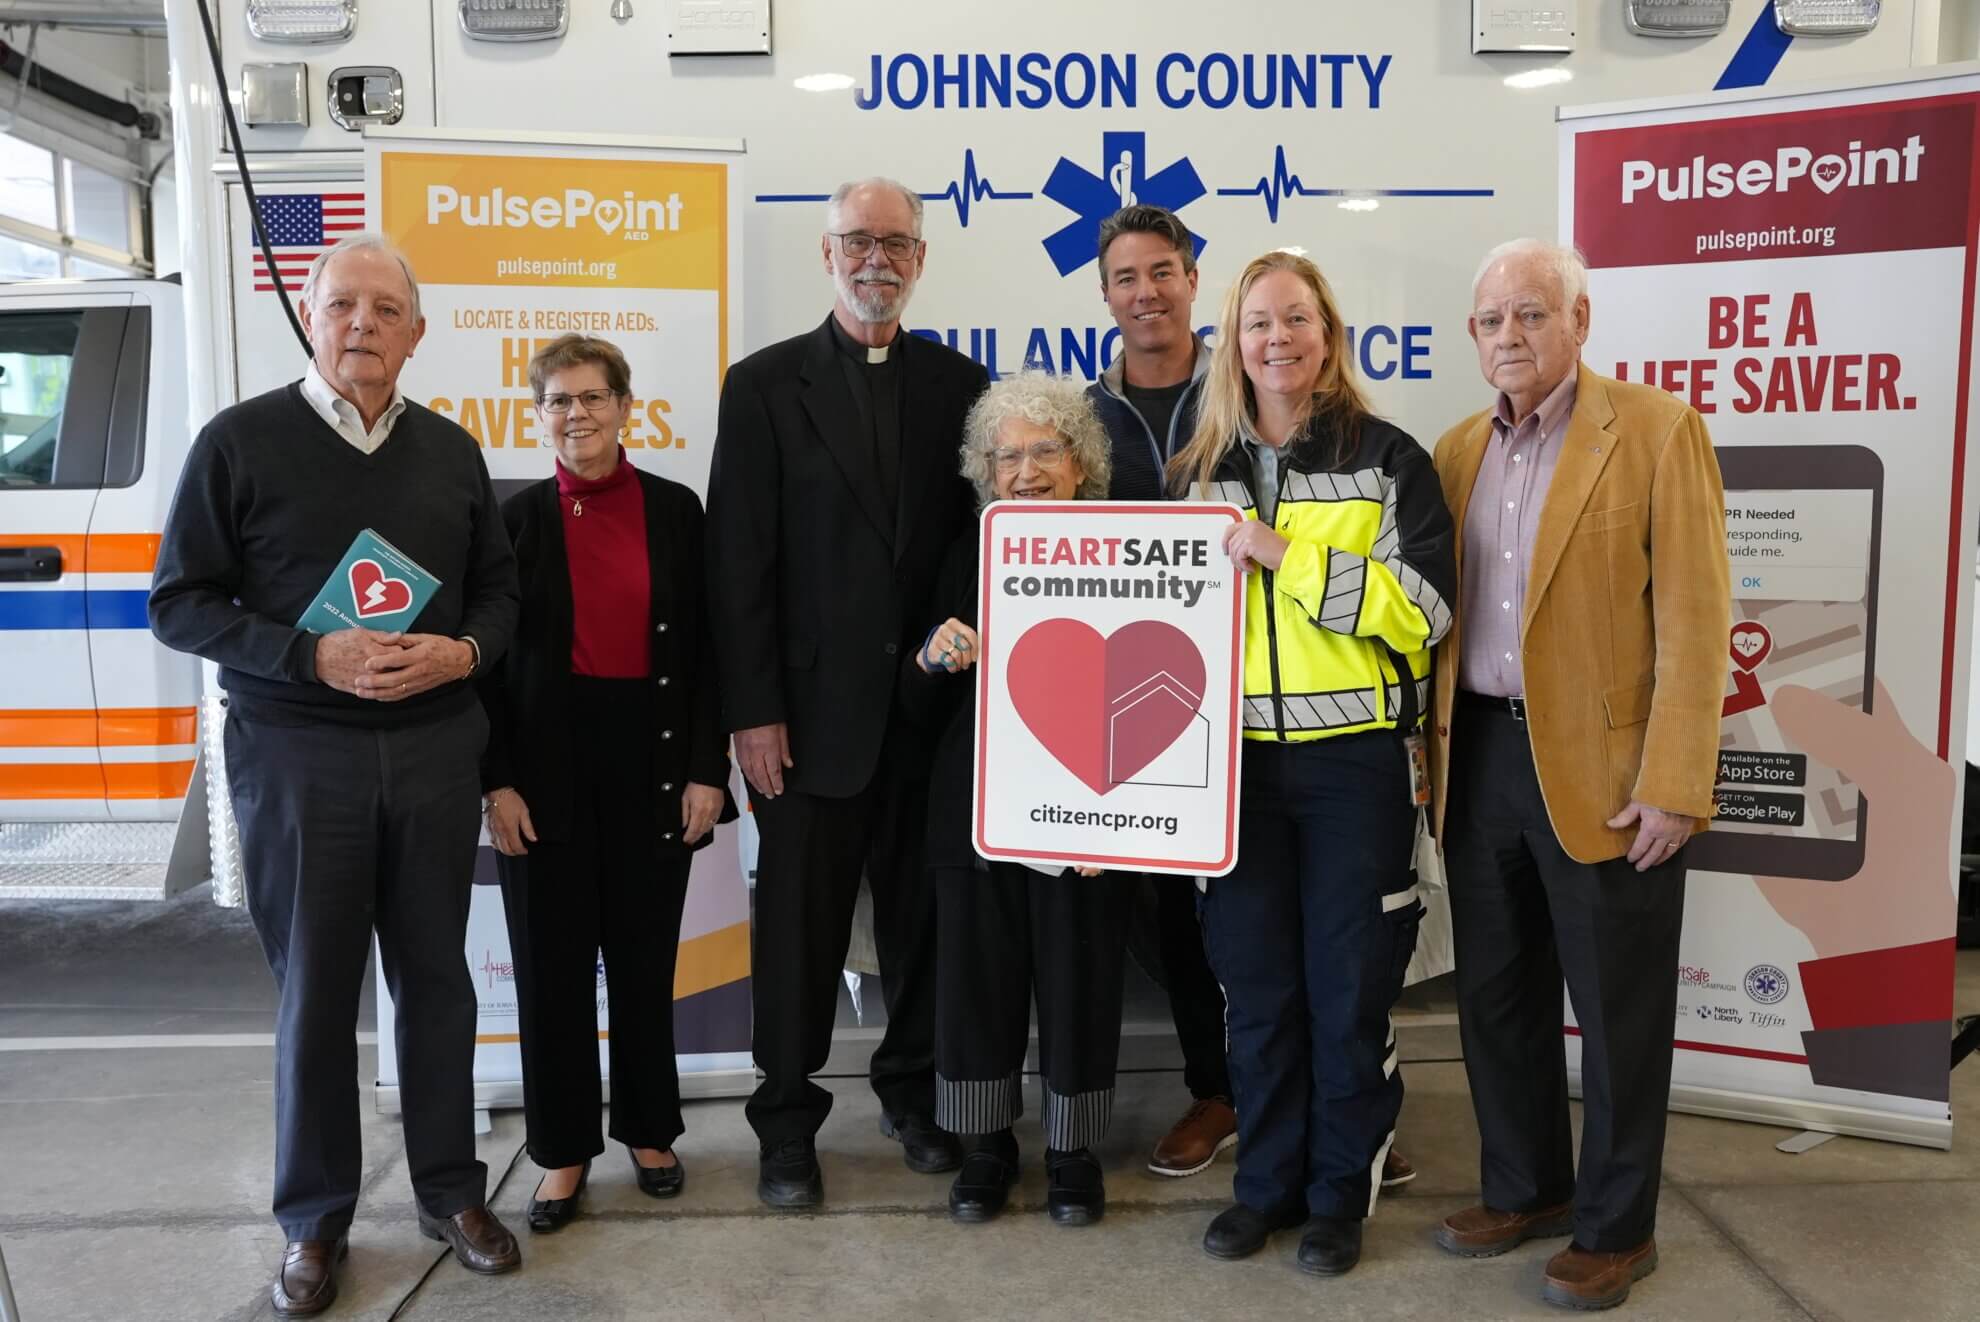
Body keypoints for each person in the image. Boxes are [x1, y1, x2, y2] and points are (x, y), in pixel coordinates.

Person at [148, 234, 522, 1316]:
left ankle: (452, 1191)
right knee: (316, 992)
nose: (361, 322)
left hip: (433, 749)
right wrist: (309, 652)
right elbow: (178, 603)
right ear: (312, 317)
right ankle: (314, 1220)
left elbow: (499, 600)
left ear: (417, 331)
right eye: (341, 304)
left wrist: (461, 653)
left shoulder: (452, 454)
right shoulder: (239, 441)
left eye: (384, 308)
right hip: (296, 754)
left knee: (436, 981)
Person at [1427, 238, 1729, 1310]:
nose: (1509, 335)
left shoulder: (1653, 430)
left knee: (1619, 1011)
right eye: (1489, 320)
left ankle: (1615, 1225)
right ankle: (1526, 1186)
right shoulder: (1457, 449)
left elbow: (1698, 617)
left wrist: (1678, 778)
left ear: (1580, 320)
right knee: (1497, 997)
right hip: (1480, 754)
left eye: (1531, 314)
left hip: (1610, 771)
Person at [705, 177, 990, 1208]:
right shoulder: (763, 384)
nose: (877, 259)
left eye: (897, 243)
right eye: (857, 241)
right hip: (805, 724)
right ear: (827, 255)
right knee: (798, 939)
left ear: (921, 259)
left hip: (925, 718)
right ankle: (786, 1121)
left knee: (922, 927)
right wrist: (750, 710)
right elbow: (738, 562)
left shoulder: (963, 384)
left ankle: (910, 1094)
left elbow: (972, 542)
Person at [1173, 251, 1455, 1277]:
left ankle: (1340, 1190)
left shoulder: (1391, 460)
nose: (1277, 338)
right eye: (1257, 322)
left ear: (1329, 334)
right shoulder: (1198, 467)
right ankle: (1268, 1185)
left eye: (1296, 318)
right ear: (1233, 344)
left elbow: (1424, 614)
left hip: (1357, 771)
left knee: (1347, 989)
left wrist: (1288, 556)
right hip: (1235, 773)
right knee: (1257, 990)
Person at [478, 334, 737, 1234]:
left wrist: (709, 767)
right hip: (542, 773)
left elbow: (708, 651)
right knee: (550, 970)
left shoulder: (676, 509)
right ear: (536, 414)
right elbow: (485, 672)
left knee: (641, 958)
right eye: (557, 400)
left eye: (593, 397)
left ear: (626, 407)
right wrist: (496, 784)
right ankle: (561, 1153)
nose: (576, 415)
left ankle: (650, 1131)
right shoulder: (509, 521)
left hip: (655, 759)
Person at [910, 373, 1130, 1227]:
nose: (1028, 471)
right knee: (977, 982)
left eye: (1047, 451)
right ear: (986, 471)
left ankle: (1073, 1151)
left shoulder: (1125, 543)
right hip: (975, 806)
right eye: (1010, 456)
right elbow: (912, 697)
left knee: (1080, 976)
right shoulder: (965, 548)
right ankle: (988, 1145)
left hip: (1088, 809)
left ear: (1082, 463)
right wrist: (934, 657)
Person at [1083, 205, 1236, 1180]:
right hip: (1130, 699)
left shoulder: (1249, 385)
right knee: (1167, 910)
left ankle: (1302, 1088)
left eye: (1163, 271)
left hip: (1252, 690)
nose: (1146, 291)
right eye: (1127, 277)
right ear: (1105, 296)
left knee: (1254, 901)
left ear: (1191, 280)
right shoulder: (1082, 417)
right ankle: (1215, 1085)